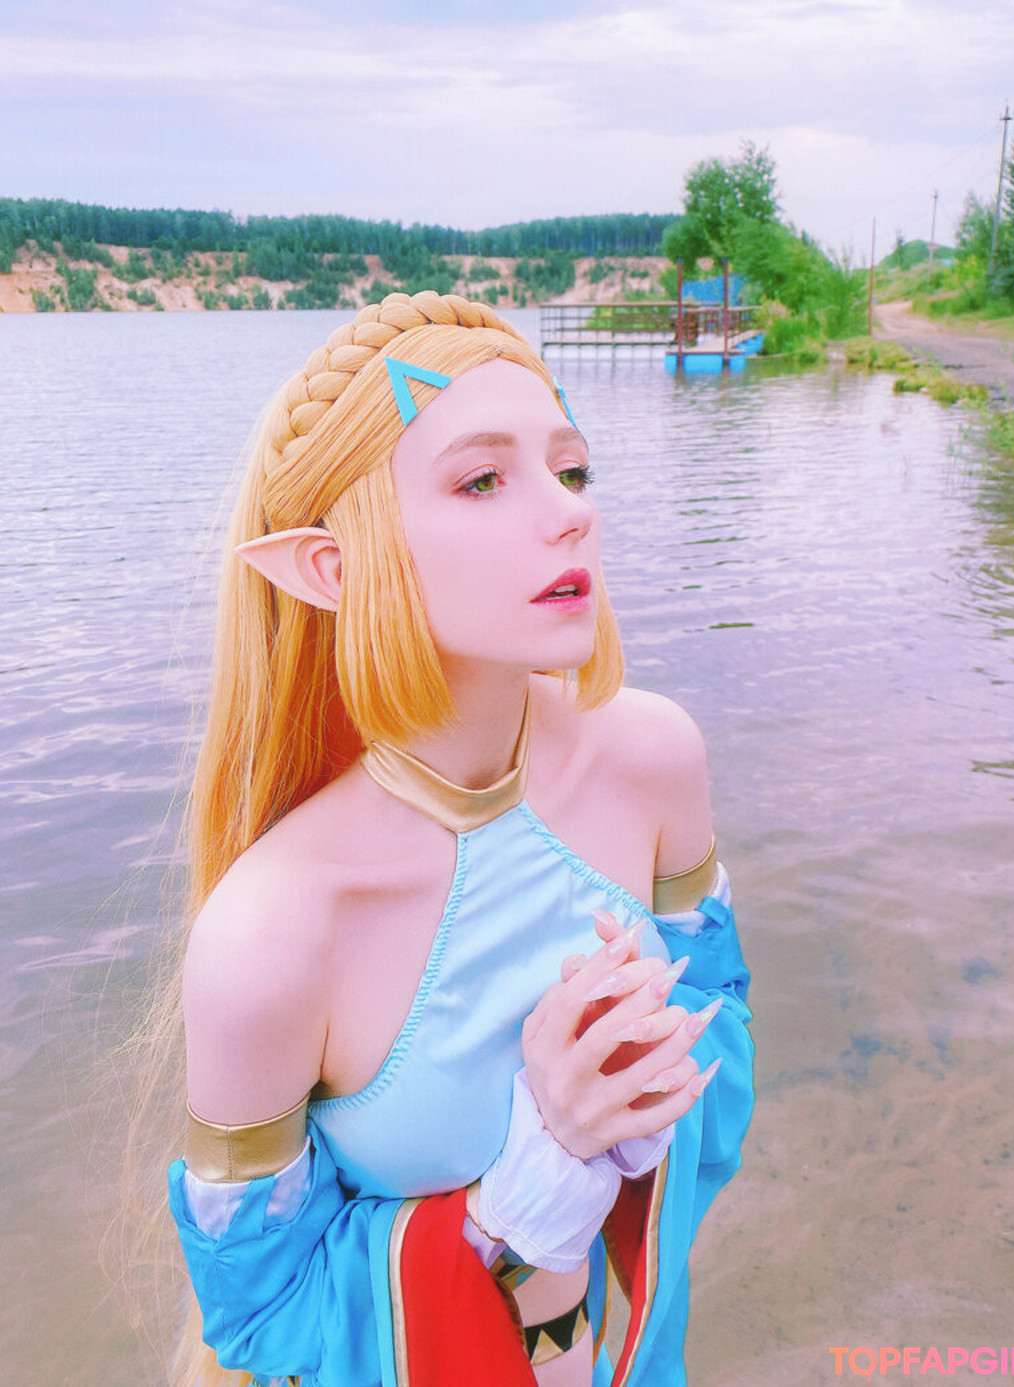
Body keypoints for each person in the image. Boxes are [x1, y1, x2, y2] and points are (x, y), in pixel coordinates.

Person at [164, 290, 754, 1387]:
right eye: (483, 479)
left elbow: (726, 1051)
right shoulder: (269, 934)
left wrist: (642, 1097)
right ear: (329, 567)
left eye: (570, 469)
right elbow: (262, 1317)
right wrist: (512, 1212)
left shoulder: (655, 759)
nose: (569, 514)